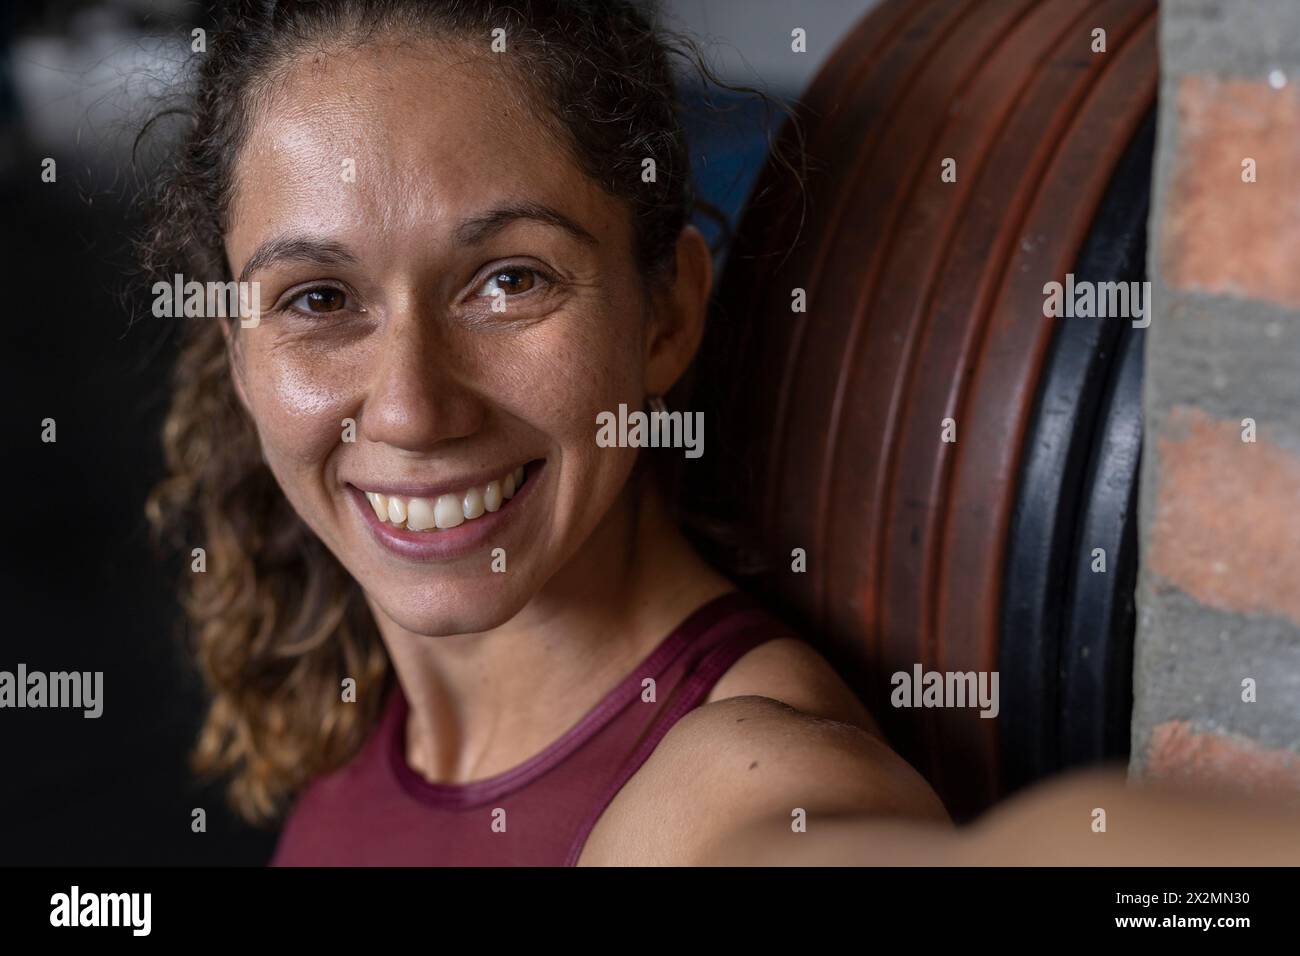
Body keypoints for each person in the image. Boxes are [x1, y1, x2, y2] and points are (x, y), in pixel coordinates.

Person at [141, 0, 1299, 866]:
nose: (409, 408)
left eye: (506, 278)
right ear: (238, 352)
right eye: (315, 299)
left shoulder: (741, 781)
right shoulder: (351, 701)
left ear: (666, 313)